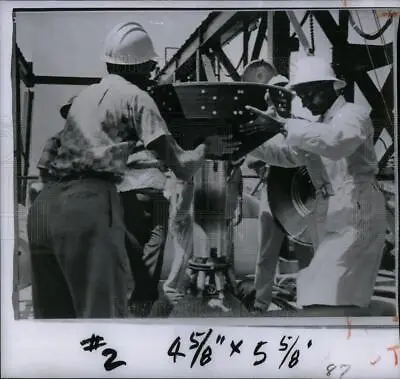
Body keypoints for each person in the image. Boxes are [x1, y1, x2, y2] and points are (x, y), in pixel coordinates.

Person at [27, 21, 239, 319]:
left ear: (108, 61)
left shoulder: (84, 97)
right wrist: (207, 147)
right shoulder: (138, 98)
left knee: (54, 320)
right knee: (100, 319)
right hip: (86, 206)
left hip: (44, 208)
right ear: (148, 67)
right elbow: (181, 167)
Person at [244, 56, 386, 315]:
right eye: (302, 96)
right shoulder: (319, 126)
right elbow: (288, 155)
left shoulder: (352, 115)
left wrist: (284, 125)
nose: (305, 102)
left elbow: (337, 142)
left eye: (308, 95)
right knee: (332, 295)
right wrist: (248, 143)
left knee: (328, 294)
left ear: (329, 89)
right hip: (332, 213)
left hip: (357, 211)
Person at [241, 59, 294, 312]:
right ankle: (261, 302)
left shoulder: (298, 124)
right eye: (275, 94)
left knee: (307, 253)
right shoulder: (267, 124)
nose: (278, 101)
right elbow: (251, 160)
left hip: (297, 195)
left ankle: (309, 300)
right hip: (273, 191)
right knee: (266, 254)